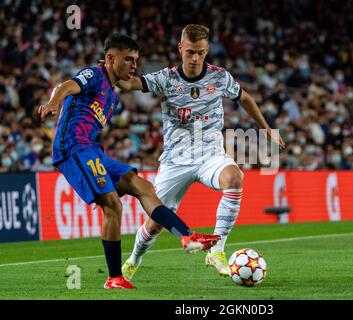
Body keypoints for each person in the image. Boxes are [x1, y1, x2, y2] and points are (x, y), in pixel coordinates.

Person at [36, 33, 221, 289]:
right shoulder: (94, 75)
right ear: (110, 58)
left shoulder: (111, 96)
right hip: (73, 147)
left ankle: (187, 237)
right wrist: (53, 103)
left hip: (93, 150)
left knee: (142, 186)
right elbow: (66, 86)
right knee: (112, 205)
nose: (134, 65)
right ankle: (114, 277)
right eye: (128, 59)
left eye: (136, 60)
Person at [118, 25, 285, 279]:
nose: (195, 58)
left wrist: (266, 129)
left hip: (210, 155)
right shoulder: (166, 79)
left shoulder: (219, 77)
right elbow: (131, 84)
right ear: (181, 48)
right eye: (191, 52)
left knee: (235, 178)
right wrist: (109, 71)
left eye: (201, 53)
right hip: (176, 160)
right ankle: (133, 260)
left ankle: (217, 250)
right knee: (156, 223)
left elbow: (245, 98)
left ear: (207, 51)